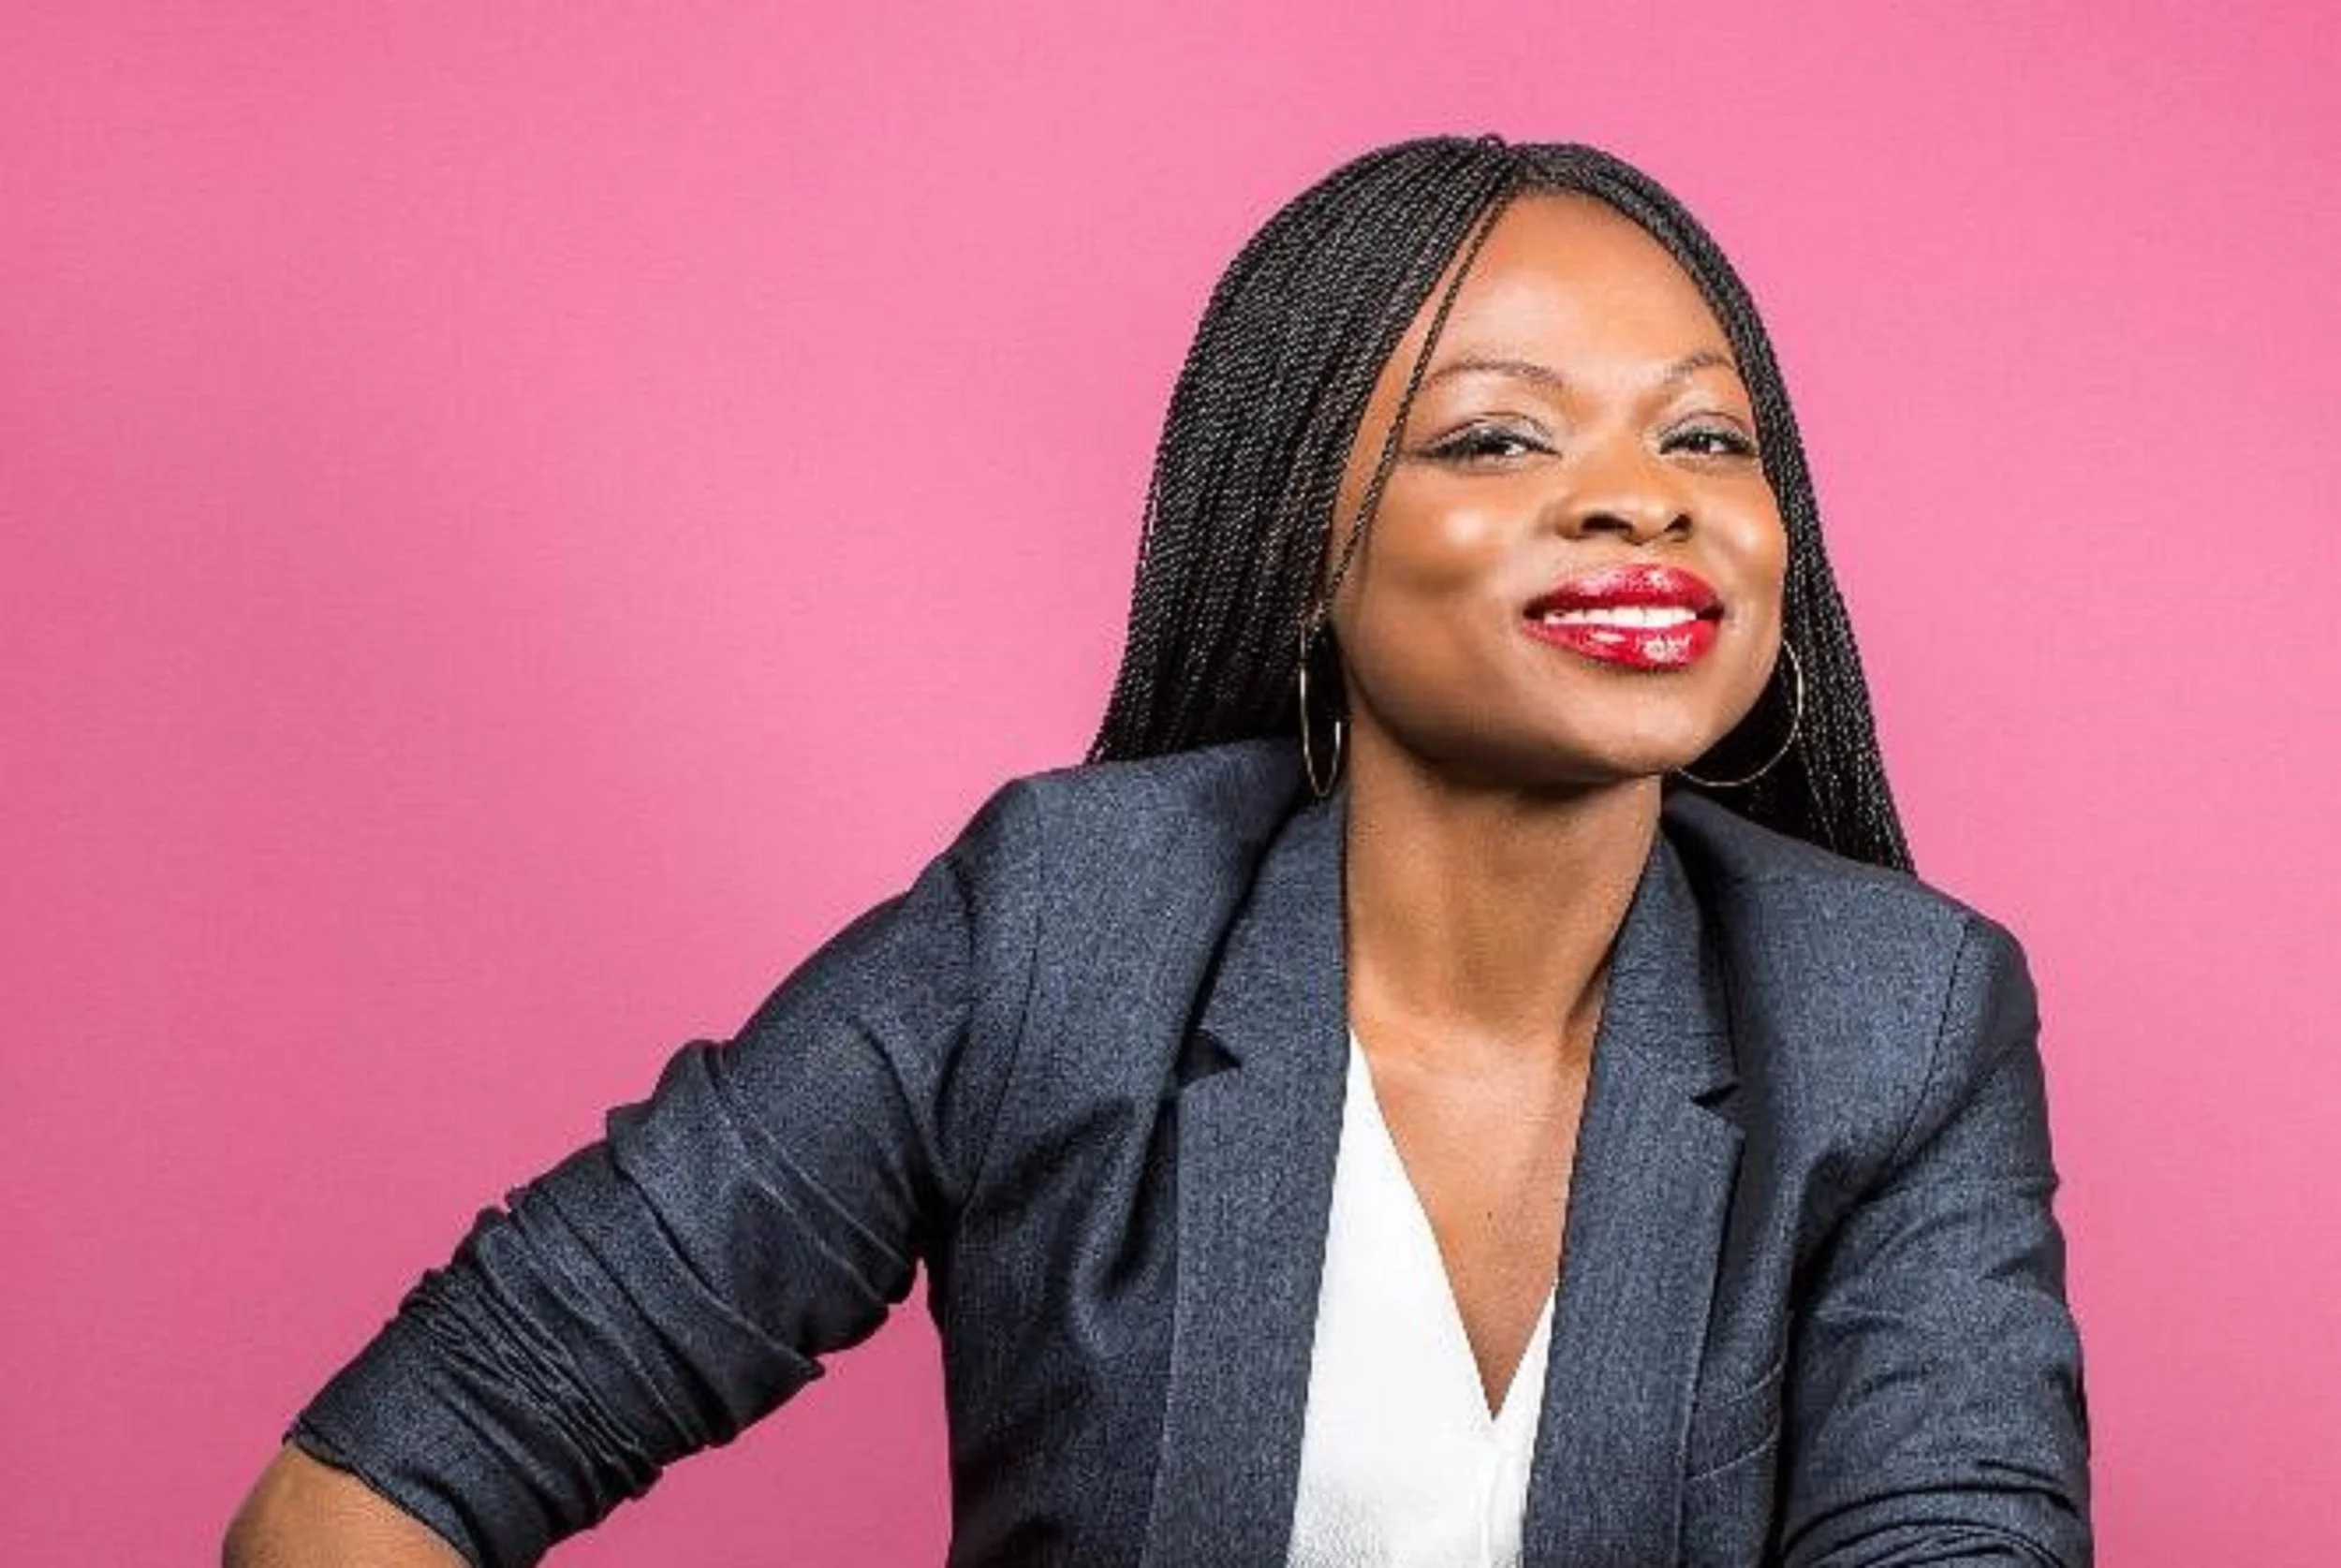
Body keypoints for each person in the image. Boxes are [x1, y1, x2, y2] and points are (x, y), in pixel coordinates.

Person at [225, 136, 2092, 1567]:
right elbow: (389, 1475)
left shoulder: (1896, 1015)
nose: (1641, 499)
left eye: (1705, 433)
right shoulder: (1066, 925)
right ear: (1303, 541)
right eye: (1495, 439)